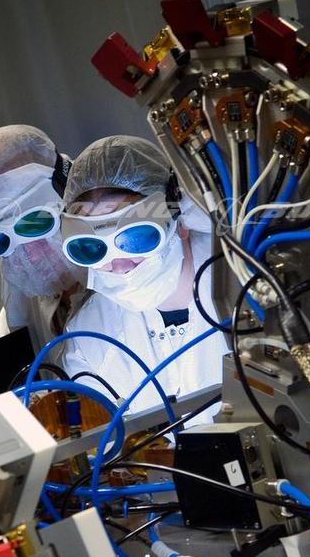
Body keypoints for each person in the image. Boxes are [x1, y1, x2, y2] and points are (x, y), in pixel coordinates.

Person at [60, 135, 224, 411]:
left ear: (179, 221)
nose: (119, 266)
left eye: (135, 238)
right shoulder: (88, 341)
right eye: (92, 248)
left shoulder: (248, 290)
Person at [0, 124, 85, 352]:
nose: (31, 253)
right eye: (0, 241)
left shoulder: (134, 278)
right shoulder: (16, 318)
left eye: (36, 223)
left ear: (68, 194)